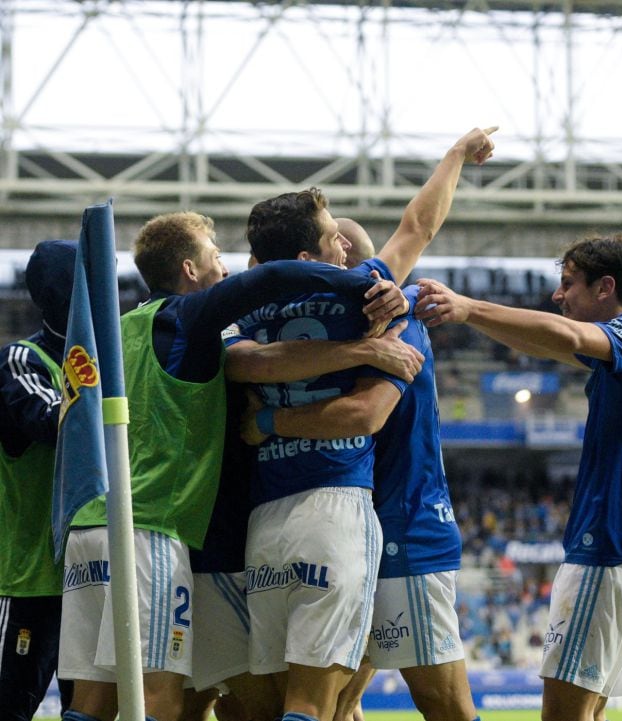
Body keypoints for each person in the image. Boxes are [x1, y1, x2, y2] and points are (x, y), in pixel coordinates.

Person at [57, 211, 404, 721]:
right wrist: (368, 281)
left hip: (89, 526)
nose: (227, 267)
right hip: (150, 528)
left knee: (91, 703)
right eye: (216, 257)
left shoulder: (121, 329)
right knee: (161, 699)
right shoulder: (188, 319)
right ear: (189, 271)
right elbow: (271, 278)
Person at [227, 126, 495, 721]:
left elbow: (244, 359)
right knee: (328, 701)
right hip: (343, 510)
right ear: (314, 258)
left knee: (345, 698)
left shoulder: (243, 314)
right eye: (336, 243)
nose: (348, 256)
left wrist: (268, 418)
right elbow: (418, 226)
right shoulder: (364, 302)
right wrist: (456, 154)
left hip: (381, 516)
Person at [416, 232, 622, 721]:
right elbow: (546, 344)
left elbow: (568, 336)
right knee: (590, 712)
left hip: (608, 548)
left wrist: (467, 307)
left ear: (605, 288)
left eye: (568, 284)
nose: (558, 296)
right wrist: (470, 318)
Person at [0, 241, 77, 721]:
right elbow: (54, 423)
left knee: (86, 708)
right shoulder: (20, 361)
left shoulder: (114, 359)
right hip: (32, 577)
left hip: (90, 575)